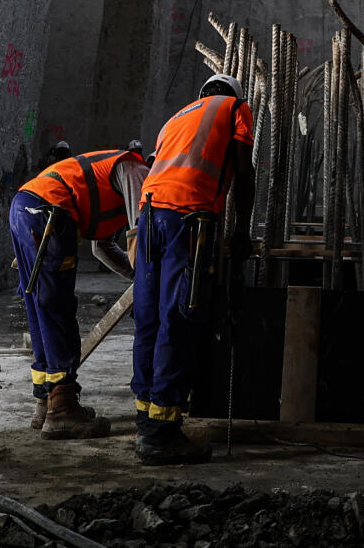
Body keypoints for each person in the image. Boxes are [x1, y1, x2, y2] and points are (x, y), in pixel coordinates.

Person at [131, 73, 253, 465]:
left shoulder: (176, 116)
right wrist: (241, 231)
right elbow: (244, 171)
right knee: (177, 317)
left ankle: (145, 417)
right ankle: (163, 432)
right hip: (190, 219)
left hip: (150, 217)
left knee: (148, 317)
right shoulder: (235, 108)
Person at [11, 142, 149, 437]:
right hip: (50, 210)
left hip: (27, 206)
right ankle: (61, 410)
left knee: (40, 306)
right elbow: (141, 230)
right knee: (57, 308)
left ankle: (44, 401)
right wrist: (150, 276)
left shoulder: (111, 180)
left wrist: (136, 274)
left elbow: (103, 247)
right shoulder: (136, 169)